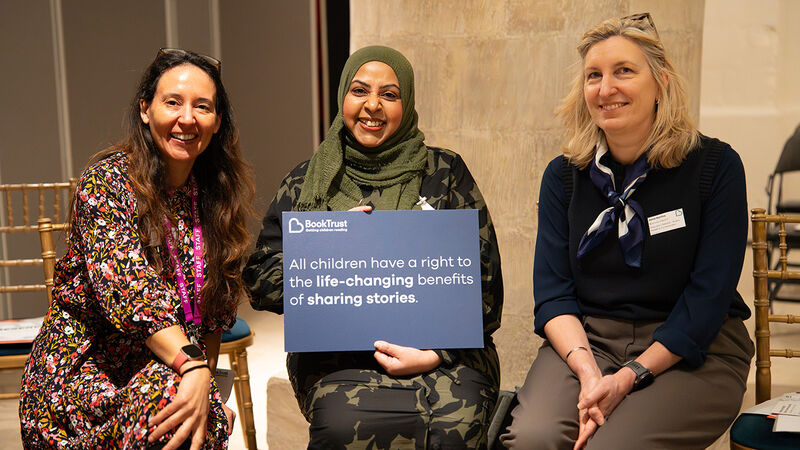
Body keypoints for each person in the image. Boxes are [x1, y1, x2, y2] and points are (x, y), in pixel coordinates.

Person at [500, 14, 754, 450]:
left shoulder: (715, 166)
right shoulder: (564, 176)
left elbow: (708, 297)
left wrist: (631, 375)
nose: (606, 88)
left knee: (611, 447)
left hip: (693, 346)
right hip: (589, 340)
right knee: (531, 439)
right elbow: (554, 293)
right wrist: (588, 373)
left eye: (624, 71)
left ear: (662, 83)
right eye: (593, 76)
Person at [243, 45, 503, 449]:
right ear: (343, 96)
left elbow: (485, 285)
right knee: (344, 426)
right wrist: (328, 243)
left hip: (447, 353)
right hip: (340, 357)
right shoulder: (309, 181)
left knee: (456, 426)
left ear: (408, 102)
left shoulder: (446, 172)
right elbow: (259, 280)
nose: (372, 106)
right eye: (360, 91)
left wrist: (435, 354)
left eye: (389, 94)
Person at [19, 48, 254, 449]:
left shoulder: (216, 198)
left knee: (193, 411)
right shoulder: (107, 184)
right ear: (146, 109)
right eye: (173, 102)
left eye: (203, 107)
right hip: (81, 381)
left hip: (170, 369)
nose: (187, 118)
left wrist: (205, 387)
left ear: (217, 123)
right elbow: (130, 293)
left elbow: (212, 316)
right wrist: (192, 369)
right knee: (172, 405)